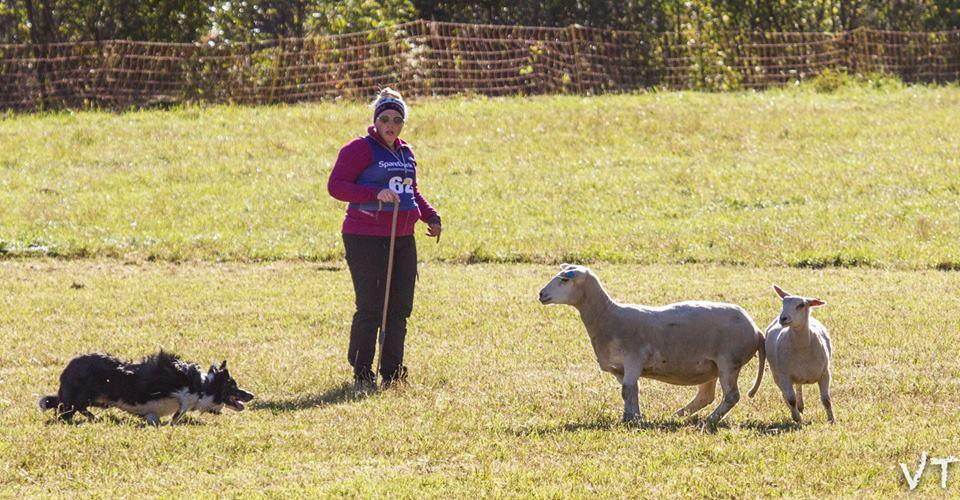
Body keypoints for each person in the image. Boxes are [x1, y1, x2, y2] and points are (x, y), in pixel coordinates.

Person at [327, 88, 441, 391]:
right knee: (372, 305)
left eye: (397, 119)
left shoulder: (406, 152)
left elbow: (411, 191)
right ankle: (363, 372)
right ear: (375, 120)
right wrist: (373, 193)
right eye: (385, 118)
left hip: (402, 237)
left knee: (400, 307)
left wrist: (430, 216)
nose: (391, 124)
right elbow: (336, 186)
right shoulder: (359, 149)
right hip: (366, 236)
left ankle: (393, 373)